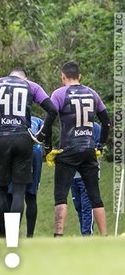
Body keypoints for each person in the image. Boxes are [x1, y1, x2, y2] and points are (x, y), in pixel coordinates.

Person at [0, 67, 56, 235]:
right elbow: (52, 110)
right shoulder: (31, 86)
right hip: (23, 138)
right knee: (19, 191)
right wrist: (41, 135)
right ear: (24, 77)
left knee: (0, 192)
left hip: (1, 138)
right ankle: (13, 237)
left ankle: (3, 236)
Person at [50, 61, 110, 237]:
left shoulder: (59, 94)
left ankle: (58, 235)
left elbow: (49, 120)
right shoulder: (92, 93)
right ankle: (105, 236)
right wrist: (100, 145)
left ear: (63, 77)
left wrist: (47, 148)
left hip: (68, 149)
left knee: (61, 195)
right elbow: (106, 122)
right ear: (80, 76)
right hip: (88, 148)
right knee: (95, 195)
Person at [71, 122, 101, 235]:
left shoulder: (96, 127)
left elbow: (97, 148)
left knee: (87, 207)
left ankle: (87, 234)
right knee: (78, 207)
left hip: (88, 175)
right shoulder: (71, 126)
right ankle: (83, 233)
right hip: (73, 174)